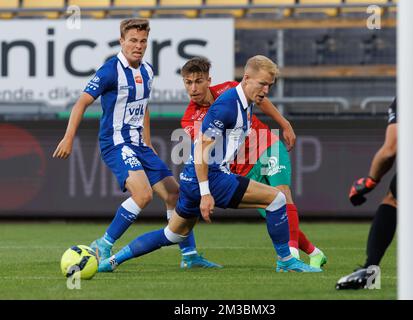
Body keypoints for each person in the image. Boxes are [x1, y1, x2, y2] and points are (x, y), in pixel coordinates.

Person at [98, 55, 323, 273]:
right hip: (211, 178)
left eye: (269, 85)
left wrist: (283, 123)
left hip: (191, 180)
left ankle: (112, 261)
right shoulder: (226, 105)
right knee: (277, 199)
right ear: (246, 79)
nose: (266, 90)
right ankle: (286, 262)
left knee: (172, 235)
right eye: (263, 84)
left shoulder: (241, 98)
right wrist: (206, 193)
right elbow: (201, 150)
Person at [53, 18, 220, 269]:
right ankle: (104, 243)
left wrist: (148, 140)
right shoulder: (110, 71)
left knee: (176, 194)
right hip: (116, 143)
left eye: (142, 41)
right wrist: (68, 137)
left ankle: (189, 256)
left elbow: (144, 106)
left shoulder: (148, 70)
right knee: (142, 194)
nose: (138, 45)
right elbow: (81, 103)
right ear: (121, 41)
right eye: (132, 40)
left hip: (139, 145)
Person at [180, 57, 327, 268]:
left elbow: (261, 99)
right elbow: (207, 149)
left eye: (199, 81)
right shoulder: (189, 118)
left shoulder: (231, 89)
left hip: (266, 146)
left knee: (283, 196)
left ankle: (291, 258)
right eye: (188, 82)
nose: (194, 88)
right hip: (241, 165)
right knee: (274, 211)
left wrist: (284, 123)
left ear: (208, 81)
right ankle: (314, 252)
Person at [336, 28, 413, 290]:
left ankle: (369, 271)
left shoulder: (411, 90)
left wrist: (370, 180)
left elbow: (390, 149)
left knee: (393, 200)